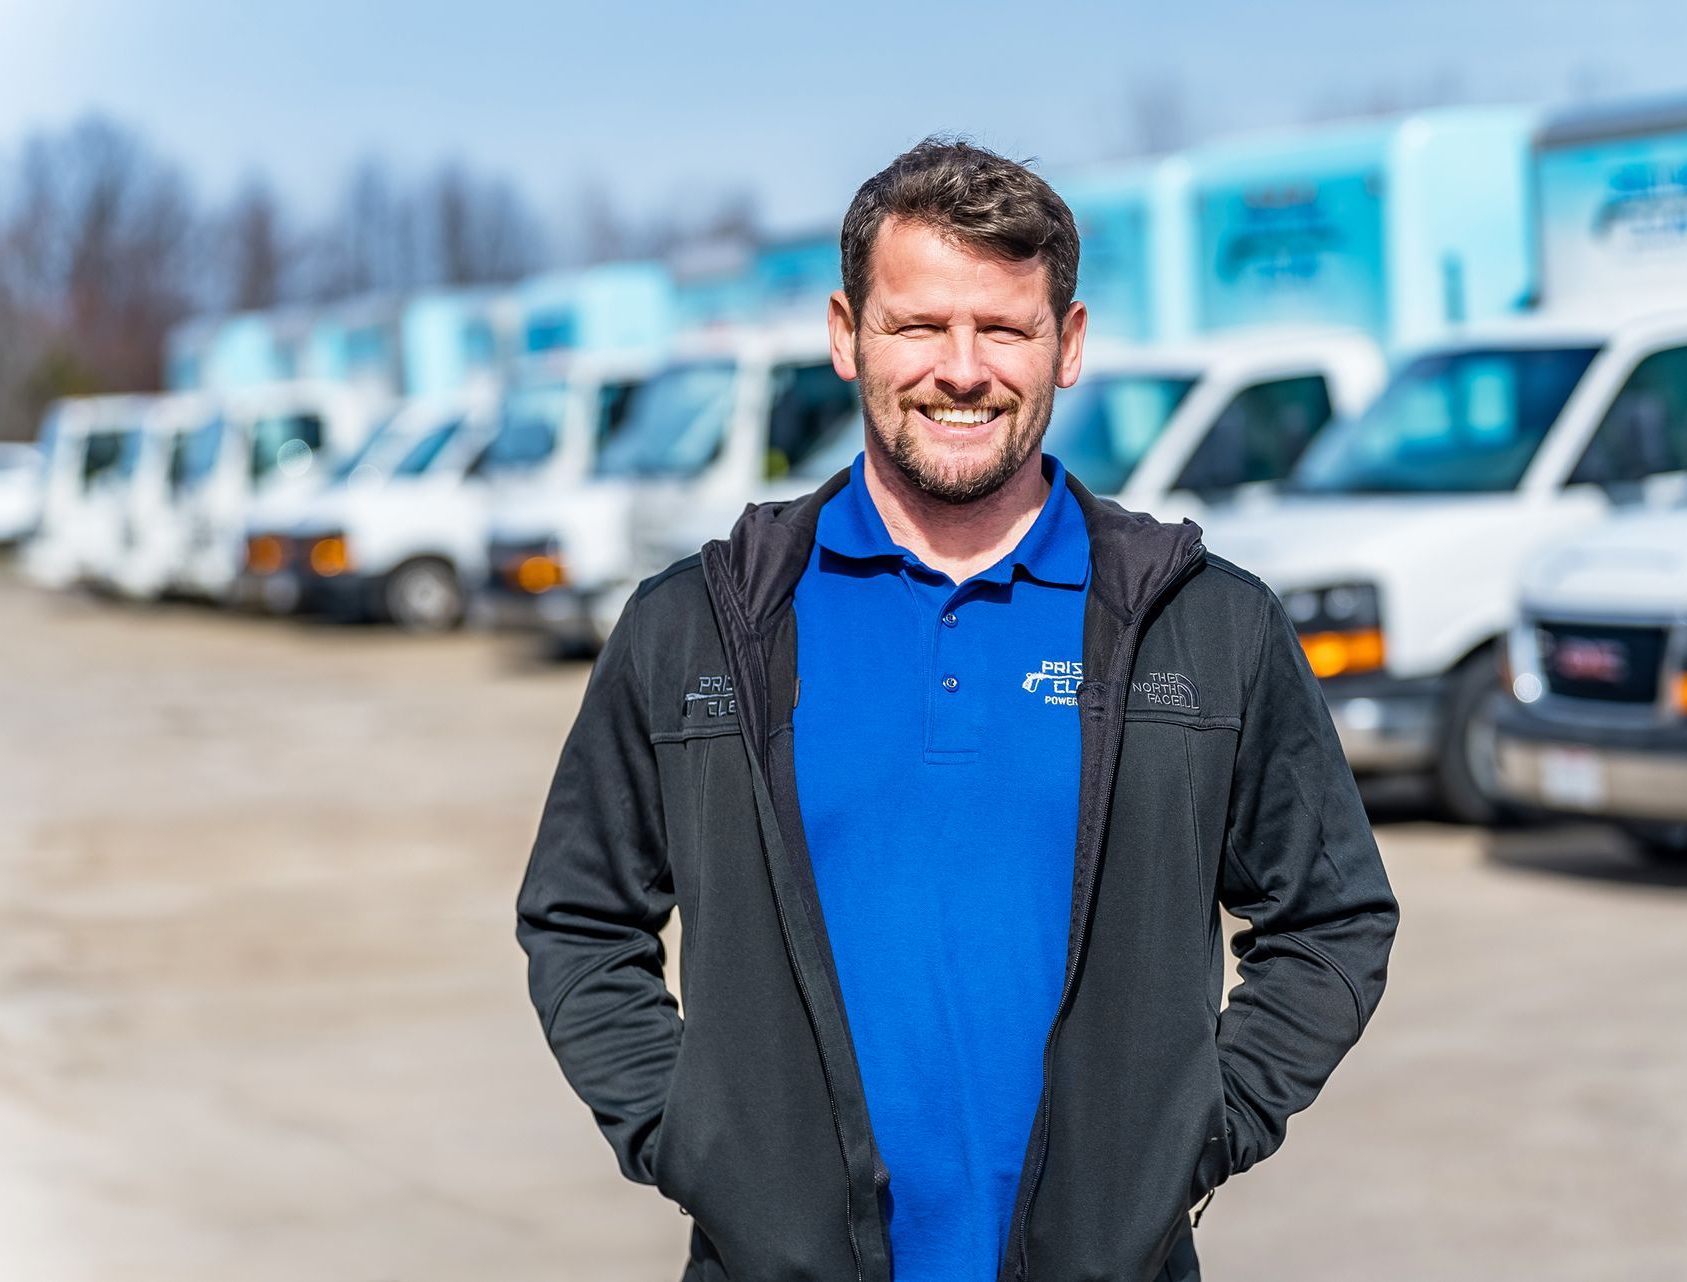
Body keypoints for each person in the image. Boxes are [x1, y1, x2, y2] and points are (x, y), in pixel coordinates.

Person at [516, 137, 1398, 1282]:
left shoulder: (1204, 624)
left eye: (1004, 328)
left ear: (1067, 344)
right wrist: (691, 1134)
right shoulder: (698, 627)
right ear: (847, 334)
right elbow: (581, 918)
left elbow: (1332, 917)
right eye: (920, 325)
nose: (963, 369)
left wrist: (1199, 1125)